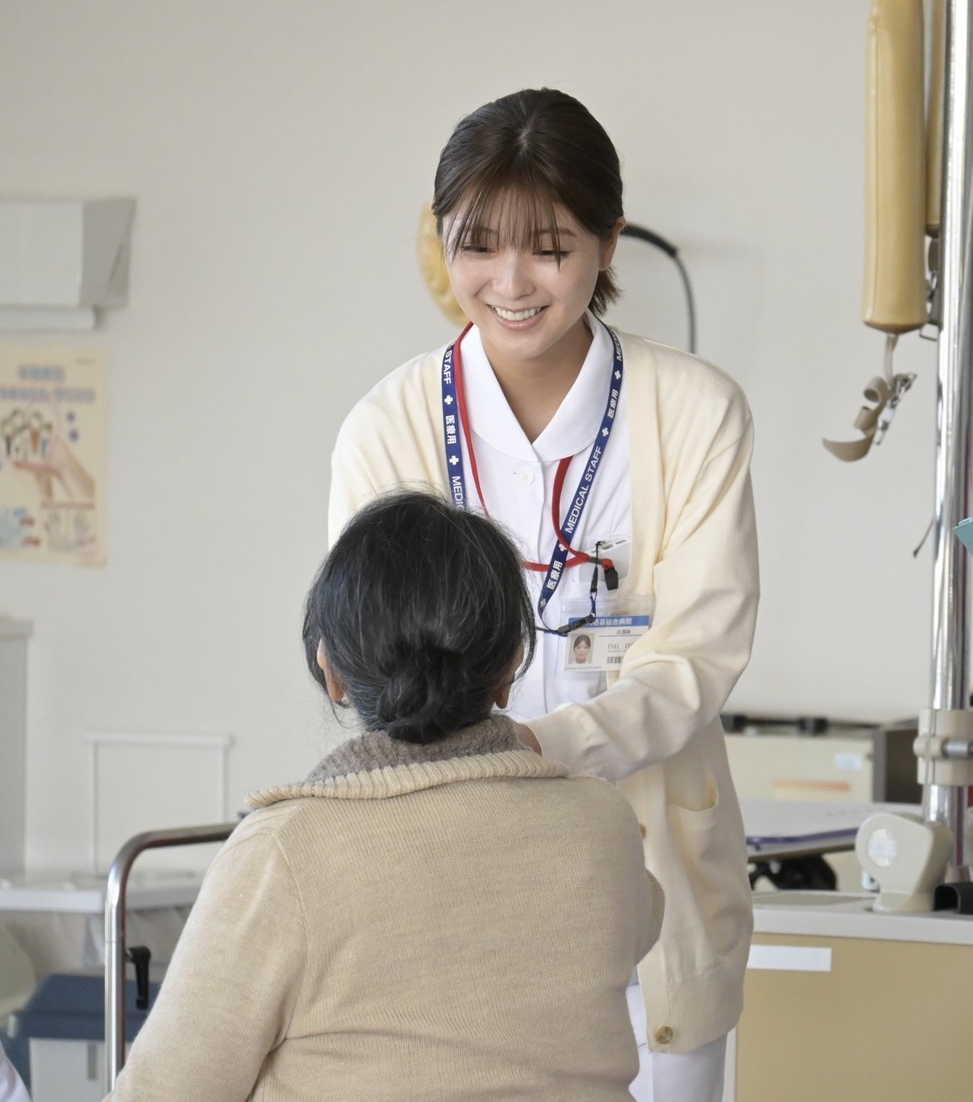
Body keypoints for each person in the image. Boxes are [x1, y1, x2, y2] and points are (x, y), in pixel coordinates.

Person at [328, 87, 759, 1102]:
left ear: (608, 245)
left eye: (550, 248)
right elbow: (371, 662)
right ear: (441, 244)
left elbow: (695, 658)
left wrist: (538, 748)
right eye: (477, 244)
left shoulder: (693, 412)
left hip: (647, 878)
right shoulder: (386, 427)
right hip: (446, 883)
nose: (510, 283)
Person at [105, 490, 663, 1101]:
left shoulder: (283, 854)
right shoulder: (602, 822)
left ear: (331, 670)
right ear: (511, 666)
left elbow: (166, 1090)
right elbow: (644, 917)